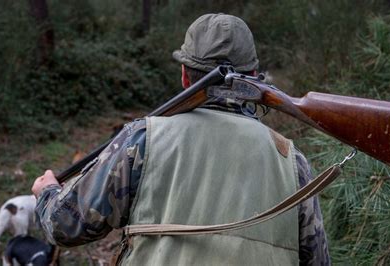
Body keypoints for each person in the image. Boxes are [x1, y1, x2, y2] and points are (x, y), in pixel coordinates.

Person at [32, 13, 330, 265]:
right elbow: (318, 259)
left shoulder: (143, 139)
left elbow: (65, 226)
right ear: (254, 74)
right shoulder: (292, 162)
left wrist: (47, 193)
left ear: (185, 76)